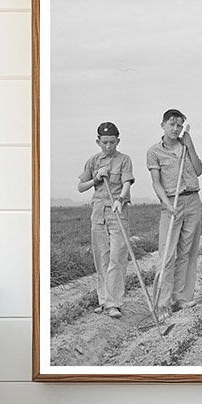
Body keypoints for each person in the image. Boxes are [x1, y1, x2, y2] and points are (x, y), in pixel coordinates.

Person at [145, 108, 202, 315]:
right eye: (172, 124)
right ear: (163, 125)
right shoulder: (154, 151)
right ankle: (162, 303)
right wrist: (166, 203)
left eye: (179, 125)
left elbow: (198, 170)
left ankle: (181, 298)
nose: (176, 129)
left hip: (192, 200)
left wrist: (191, 145)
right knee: (167, 254)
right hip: (171, 202)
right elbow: (156, 182)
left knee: (186, 252)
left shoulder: (186, 146)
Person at [76, 121, 134, 318]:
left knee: (117, 257)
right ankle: (104, 301)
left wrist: (120, 199)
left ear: (118, 141)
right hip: (98, 213)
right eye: (104, 142)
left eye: (112, 142)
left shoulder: (125, 160)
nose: (108, 146)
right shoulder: (92, 161)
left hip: (118, 210)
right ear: (98, 141)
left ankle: (114, 303)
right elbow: (81, 187)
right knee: (102, 258)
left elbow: (126, 183)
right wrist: (96, 179)